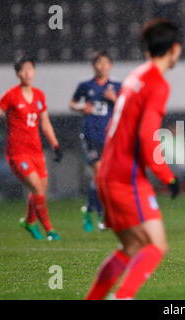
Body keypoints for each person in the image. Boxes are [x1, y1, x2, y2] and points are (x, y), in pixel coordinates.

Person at [85, 18, 182, 300]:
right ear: (174, 49)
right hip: (125, 178)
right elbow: (147, 135)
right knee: (155, 246)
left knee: (131, 248)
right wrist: (167, 176)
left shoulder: (135, 75)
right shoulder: (157, 83)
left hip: (107, 172)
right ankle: (122, 297)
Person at [0, 57, 63, 240]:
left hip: (36, 151)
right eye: (23, 70)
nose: (27, 73)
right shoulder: (10, 95)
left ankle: (28, 221)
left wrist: (55, 144)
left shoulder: (39, 95)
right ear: (18, 74)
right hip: (17, 153)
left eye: (30, 69)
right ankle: (50, 230)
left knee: (40, 190)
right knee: (36, 188)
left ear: (34, 71)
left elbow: (45, 122)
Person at [69, 51, 121, 232]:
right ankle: (102, 216)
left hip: (110, 137)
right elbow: (72, 103)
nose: (103, 66)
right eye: (99, 63)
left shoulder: (116, 86)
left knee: (104, 179)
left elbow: (126, 107)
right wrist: (82, 107)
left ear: (110, 66)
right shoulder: (85, 86)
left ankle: (88, 209)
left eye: (106, 63)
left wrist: (115, 100)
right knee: (99, 176)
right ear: (94, 66)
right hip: (90, 135)